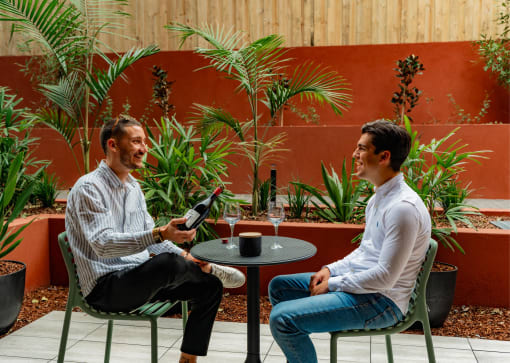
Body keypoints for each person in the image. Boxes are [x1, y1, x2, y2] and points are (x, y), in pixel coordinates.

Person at [65, 115, 245, 363]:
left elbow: (153, 239)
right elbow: (103, 245)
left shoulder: (133, 188)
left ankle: (188, 359)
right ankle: (208, 269)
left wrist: (184, 253)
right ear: (113, 145)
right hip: (106, 289)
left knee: (209, 287)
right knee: (169, 264)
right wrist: (161, 233)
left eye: (145, 142)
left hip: (138, 281)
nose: (144, 148)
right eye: (137, 141)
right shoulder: (88, 187)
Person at [268, 119, 431, 363]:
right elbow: (365, 251)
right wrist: (330, 270)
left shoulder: (403, 208)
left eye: (362, 148)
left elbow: (386, 277)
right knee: (280, 287)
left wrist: (334, 284)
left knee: (282, 319)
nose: (355, 154)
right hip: (365, 287)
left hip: (381, 302)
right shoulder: (379, 198)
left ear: (384, 156)